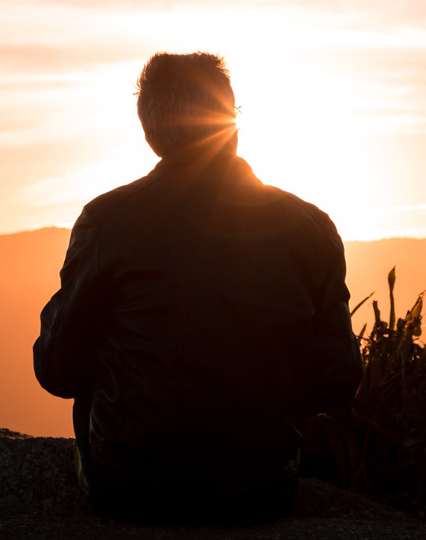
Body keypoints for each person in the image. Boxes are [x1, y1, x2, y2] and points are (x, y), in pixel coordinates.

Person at [33, 52, 362, 523]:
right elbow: (339, 375)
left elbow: (58, 369)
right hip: (261, 486)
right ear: (232, 121)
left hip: (132, 485)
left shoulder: (107, 220)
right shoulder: (311, 226)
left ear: (149, 130)